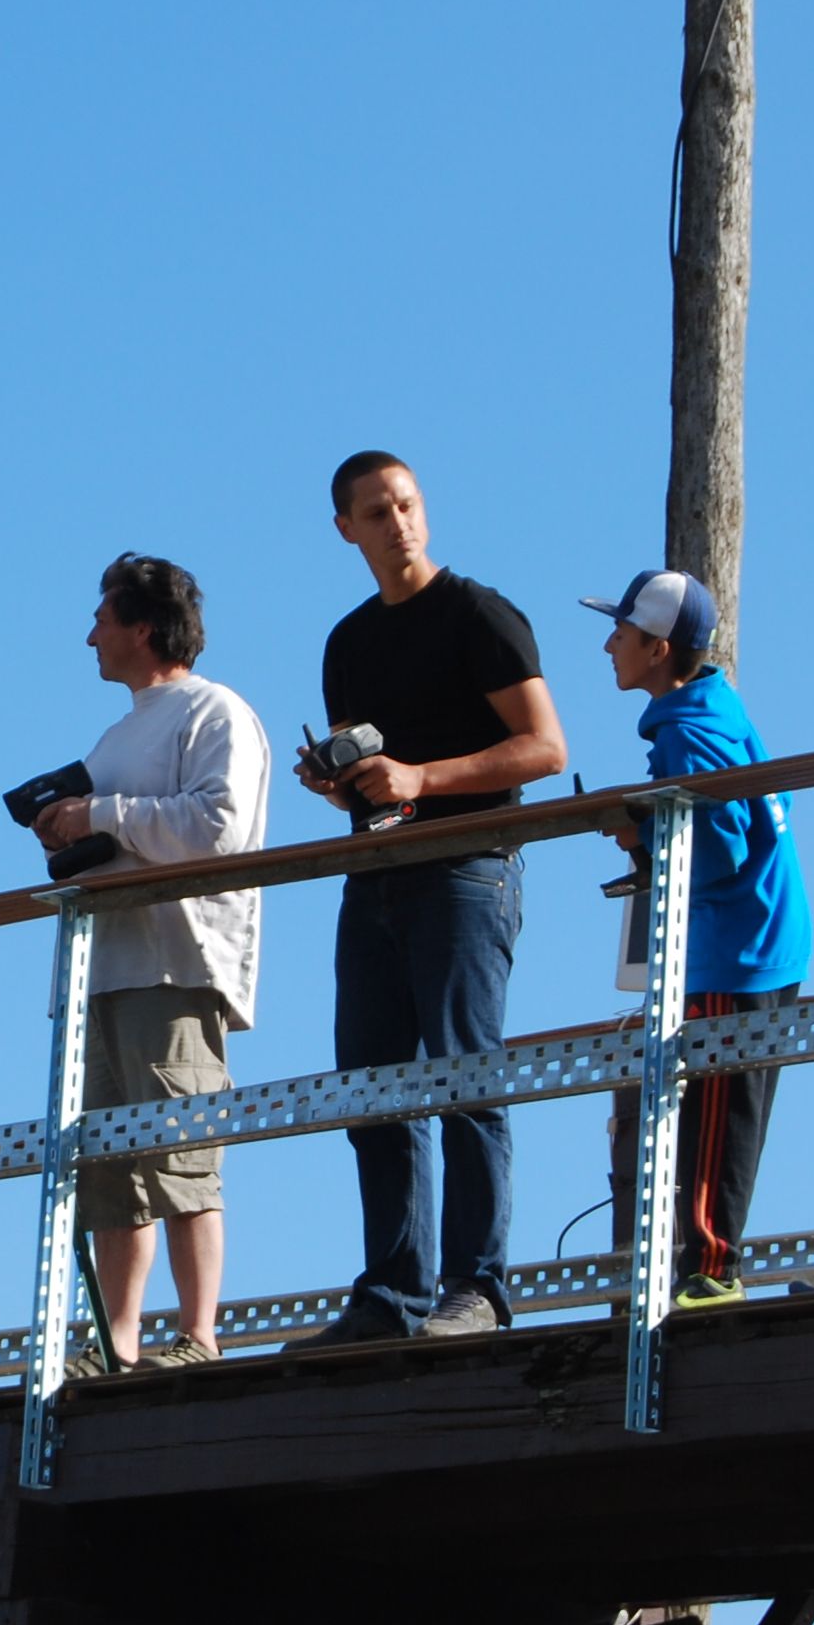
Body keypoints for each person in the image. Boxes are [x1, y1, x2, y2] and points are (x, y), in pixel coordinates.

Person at [299, 451, 566, 1344]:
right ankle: (392, 1295)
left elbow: (546, 748)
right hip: (376, 874)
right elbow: (368, 777)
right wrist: (338, 783)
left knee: (465, 1077)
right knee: (371, 1089)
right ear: (346, 529)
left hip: (467, 868)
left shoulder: (477, 613)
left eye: (408, 505)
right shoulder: (348, 640)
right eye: (378, 512)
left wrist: (421, 776)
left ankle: (475, 1288)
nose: (399, 524)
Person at [28, 554, 271, 1373]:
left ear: (142, 626)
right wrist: (69, 827)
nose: (89, 636)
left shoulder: (216, 711)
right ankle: (118, 1340)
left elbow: (218, 828)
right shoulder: (115, 734)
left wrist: (99, 813)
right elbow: (126, 831)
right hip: (100, 971)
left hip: (177, 965)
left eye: (102, 619)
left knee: (182, 1155)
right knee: (108, 1171)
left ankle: (199, 1333)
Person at [586, 570, 810, 1310]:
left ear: (658, 649)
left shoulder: (687, 731)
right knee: (728, 1110)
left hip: (734, 949)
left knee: (717, 1117)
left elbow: (718, 851)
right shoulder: (709, 709)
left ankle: (712, 1271)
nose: (610, 644)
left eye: (622, 631)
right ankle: (707, 1266)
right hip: (759, 936)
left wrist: (643, 838)